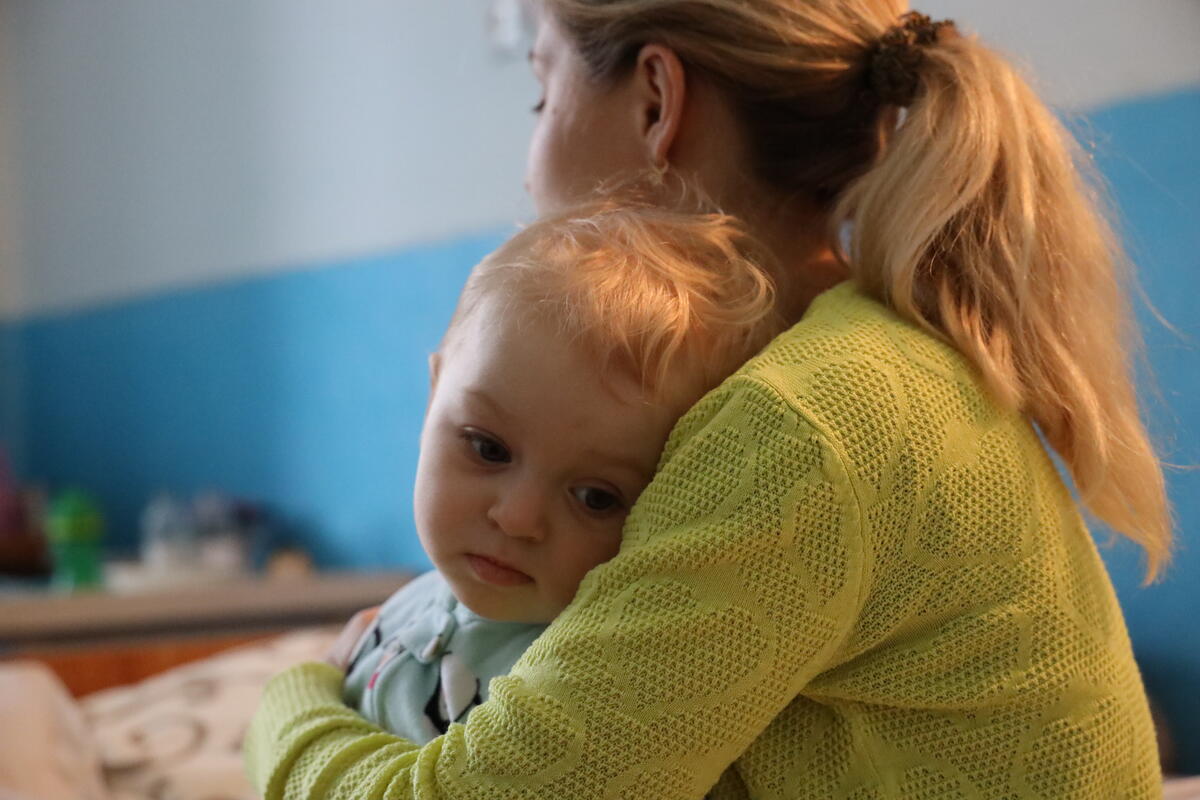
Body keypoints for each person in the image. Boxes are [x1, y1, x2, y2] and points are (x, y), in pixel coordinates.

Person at [245, 2, 1172, 797]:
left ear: (657, 101)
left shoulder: (806, 421)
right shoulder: (878, 354)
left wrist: (293, 696)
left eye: (540, 91)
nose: (530, 173)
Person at [337, 199, 786, 745]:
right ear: (434, 395)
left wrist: (300, 699)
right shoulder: (403, 608)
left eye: (596, 497)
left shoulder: (574, 691)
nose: (517, 517)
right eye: (488, 448)